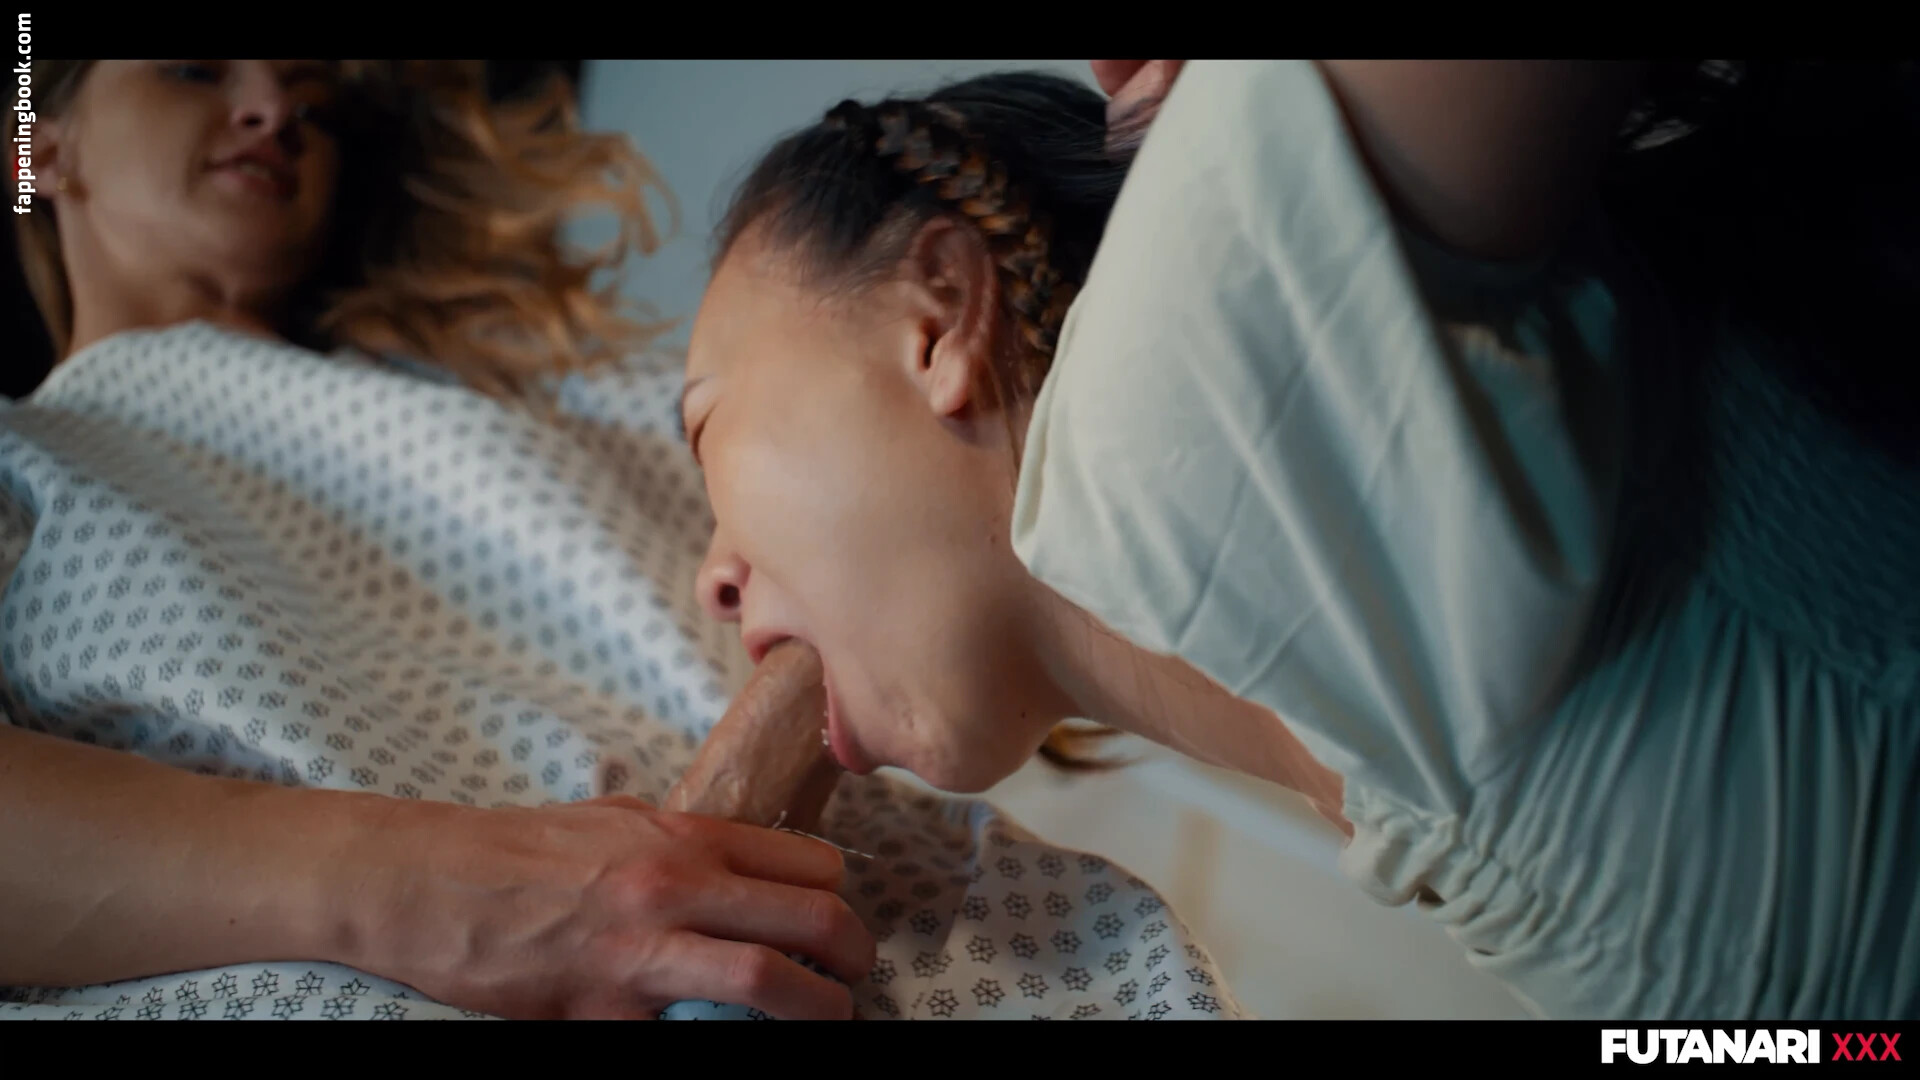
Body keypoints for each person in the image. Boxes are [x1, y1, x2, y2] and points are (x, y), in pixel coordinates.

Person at [0, 59, 1241, 1023]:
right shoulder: (31, 459)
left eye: (308, 96)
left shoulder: (549, 399)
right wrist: (460, 894)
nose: (274, 106)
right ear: (34, 144)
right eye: (197, 69)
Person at [681, 59, 1919, 1020]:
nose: (710, 579)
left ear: (939, 317)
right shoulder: (1291, 647)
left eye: (704, 426)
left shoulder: (1164, 406)